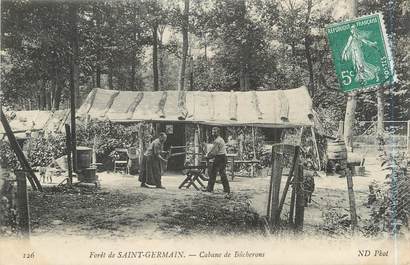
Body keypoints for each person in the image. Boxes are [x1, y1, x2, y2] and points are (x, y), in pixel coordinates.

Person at [204, 127, 230, 195]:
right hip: (221, 157)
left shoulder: (217, 141)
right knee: (219, 174)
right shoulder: (220, 139)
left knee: (216, 173)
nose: (213, 134)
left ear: (218, 133)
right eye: (213, 132)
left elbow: (214, 152)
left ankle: (210, 189)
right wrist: (209, 155)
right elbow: (213, 150)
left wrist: (207, 156)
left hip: (220, 158)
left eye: (215, 132)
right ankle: (226, 189)